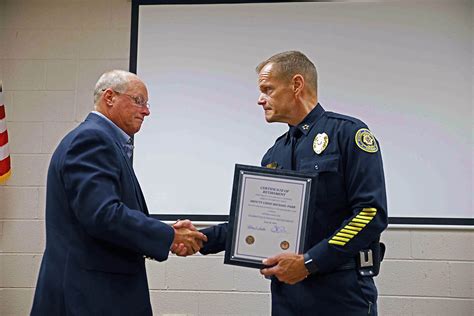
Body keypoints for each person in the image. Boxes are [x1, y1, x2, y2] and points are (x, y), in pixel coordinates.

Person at [196, 51, 388, 315]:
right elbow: (254, 223)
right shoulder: (274, 154)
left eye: (267, 89)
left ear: (296, 85)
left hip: (341, 292)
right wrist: (199, 238)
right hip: (287, 296)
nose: (260, 99)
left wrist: (310, 262)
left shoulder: (348, 134)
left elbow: (370, 213)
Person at [30, 70, 207, 315]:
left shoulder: (104, 140)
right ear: (109, 97)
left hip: (95, 294)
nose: (146, 111)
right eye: (139, 101)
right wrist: (169, 236)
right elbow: (103, 215)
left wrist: (167, 233)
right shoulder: (92, 139)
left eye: (147, 104)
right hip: (88, 297)